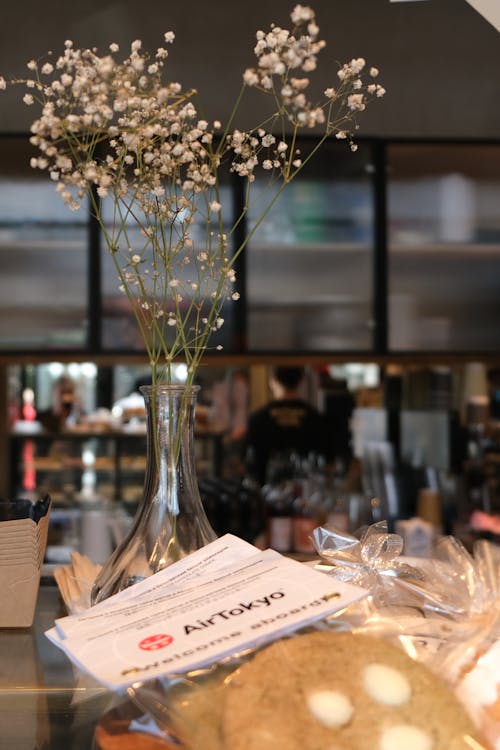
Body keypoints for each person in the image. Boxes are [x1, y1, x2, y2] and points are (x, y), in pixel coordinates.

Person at [245, 366, 331, 485]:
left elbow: (249, 459)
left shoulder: (258, 418)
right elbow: (328, 459)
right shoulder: (315, 418)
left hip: (265, 492)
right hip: (308, 493)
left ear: (272, 380)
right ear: (301, 381)